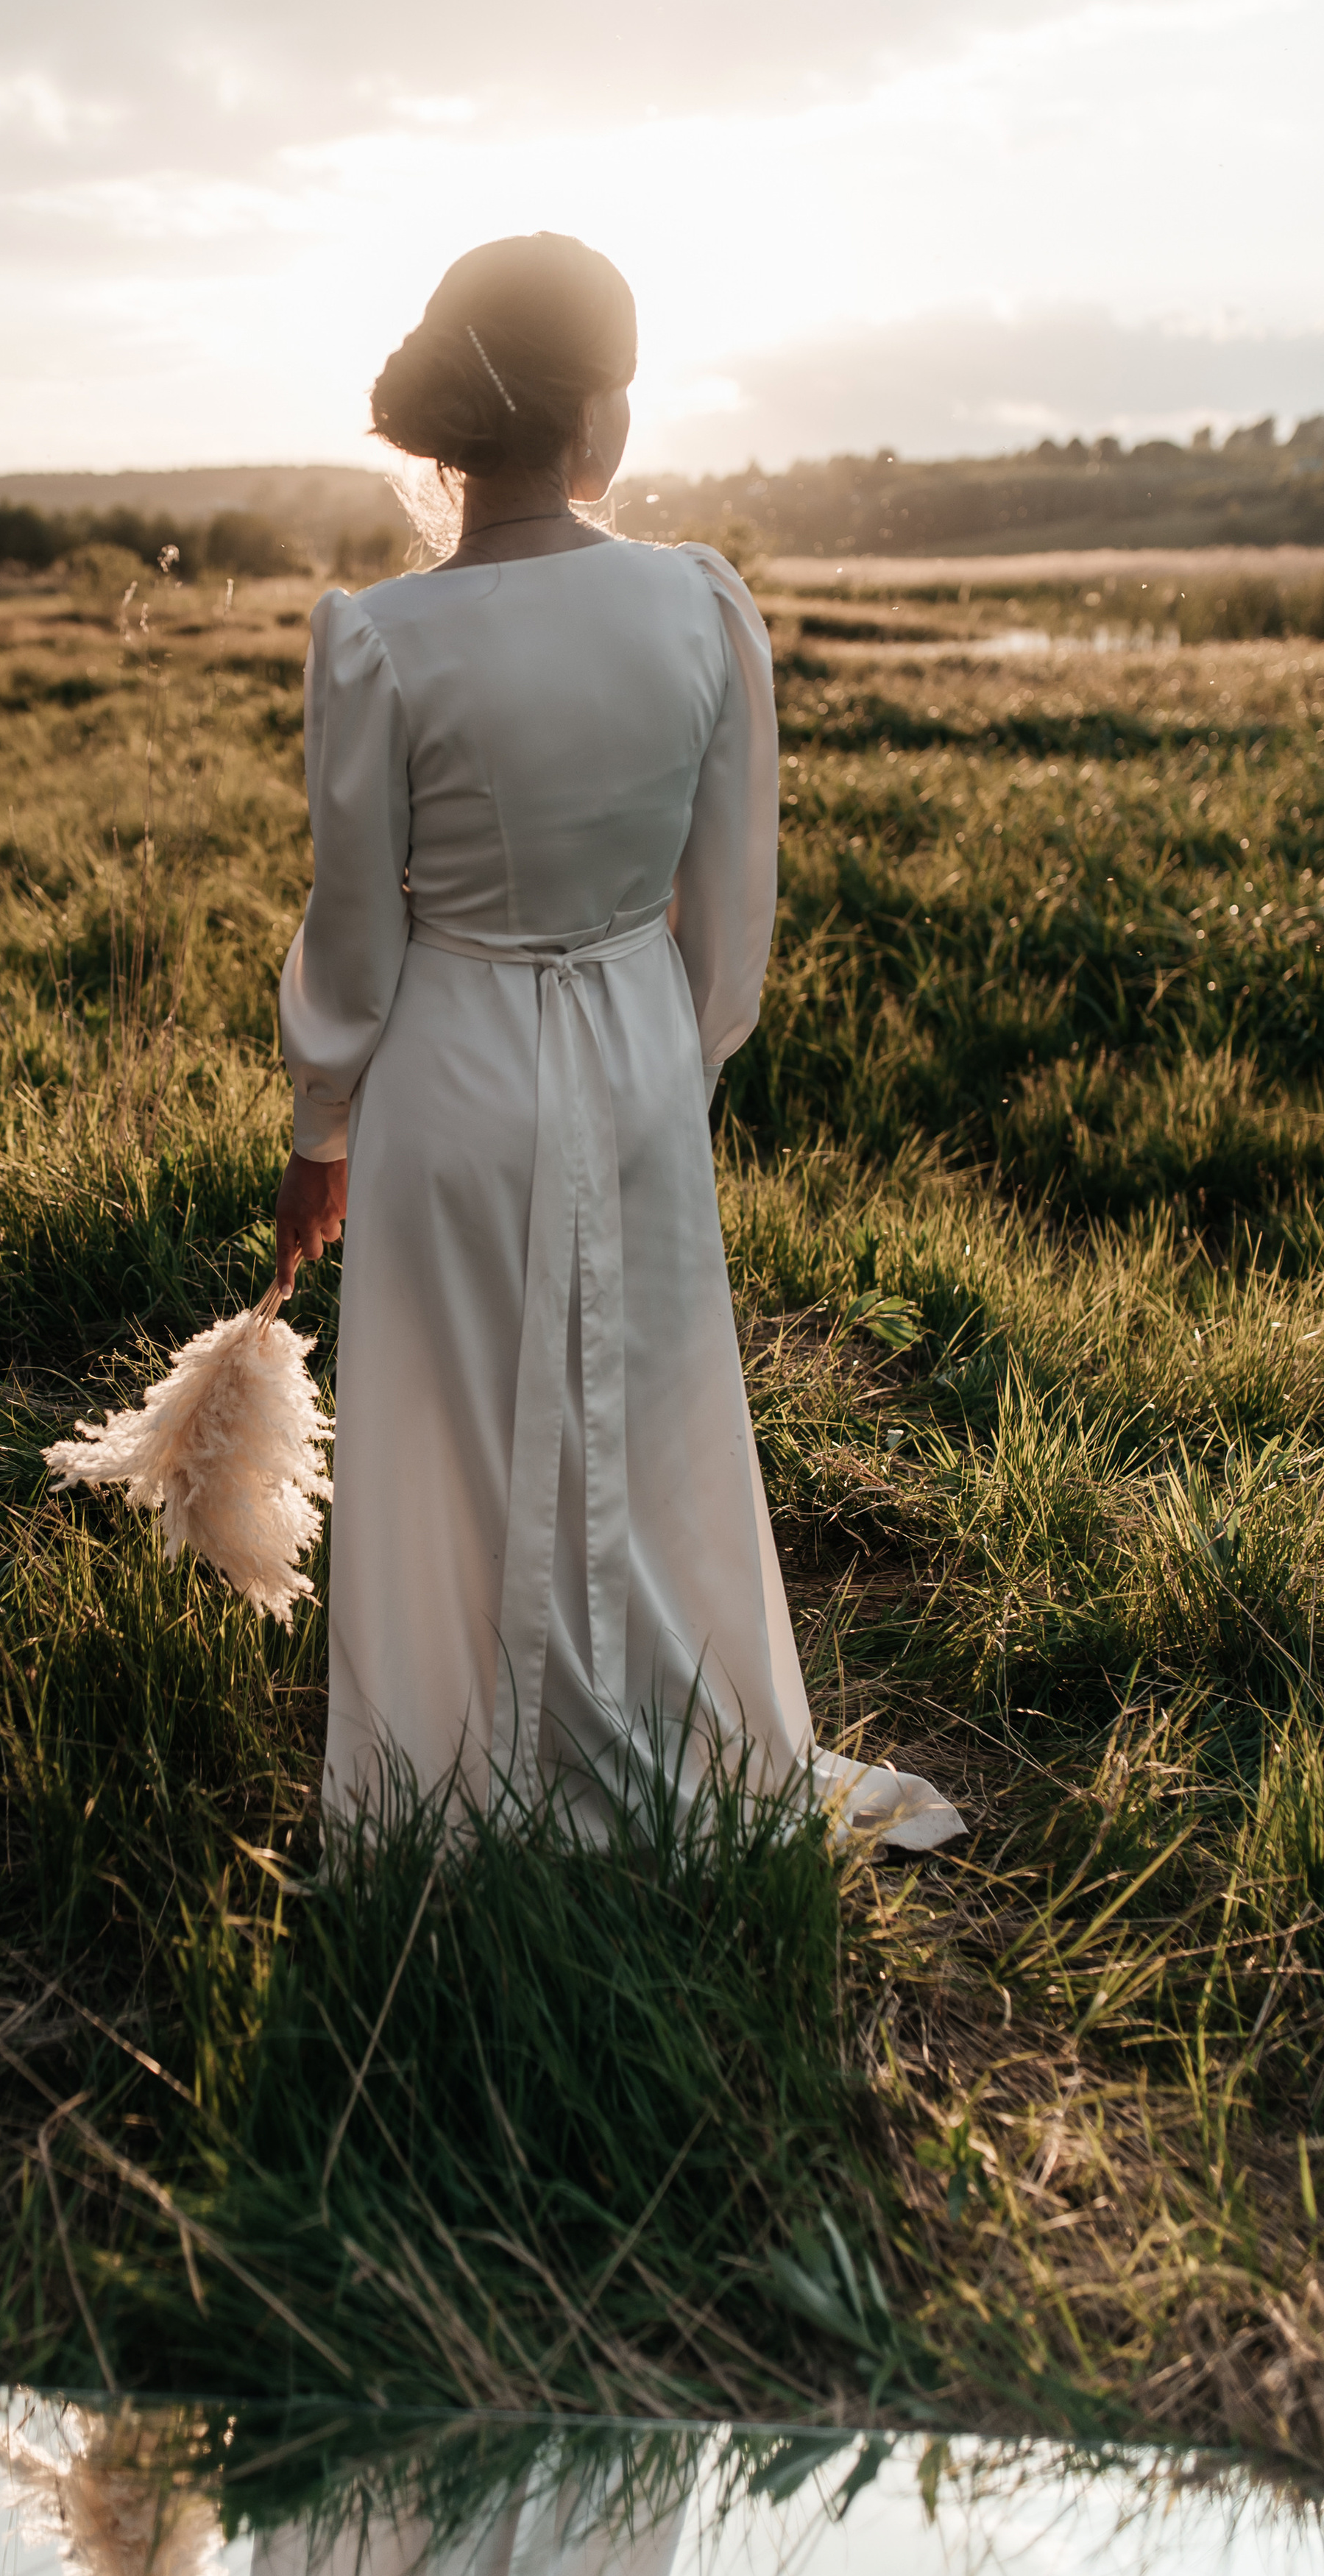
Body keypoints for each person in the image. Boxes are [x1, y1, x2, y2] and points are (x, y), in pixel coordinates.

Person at [274, 233, 961, 1851]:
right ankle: (656, 1731)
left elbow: (356, 929)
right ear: (598, 419)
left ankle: (454, 1780)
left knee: (451, 1422)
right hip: (637, 1053)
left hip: (446, 1066)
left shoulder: (374, 637)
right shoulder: (698, 603)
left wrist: (321, 1126)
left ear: (455, 433)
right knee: (638, 1413)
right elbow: (729, 901)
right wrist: (674, 1058)